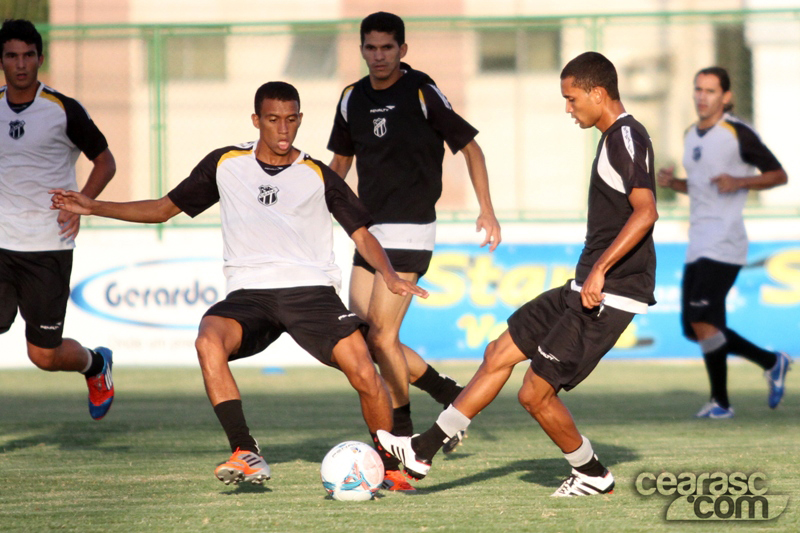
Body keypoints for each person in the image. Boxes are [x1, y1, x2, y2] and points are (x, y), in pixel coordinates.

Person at [52, 81, 429, 486]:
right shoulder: (226, 163)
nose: (283, 129)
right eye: (273, 120)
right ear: (257, 120)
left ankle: (389, 466)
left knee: (364, 370)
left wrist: (388, 273)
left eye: (290, 120)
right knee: (207, 340)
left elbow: (362, 234)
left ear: (300, 120)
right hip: (250, 295)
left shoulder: (317, 174)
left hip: (311, 292)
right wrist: (93, 206)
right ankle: (245, 450)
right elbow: (163, 209)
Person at [378, 51, 659, 497]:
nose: (568, 108)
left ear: (597, 93)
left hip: (610, 293)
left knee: (534, 395)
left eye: (571, 99)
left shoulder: (626, 137)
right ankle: (423, 451)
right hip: (583, 284)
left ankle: (592, 474)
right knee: (499, 351)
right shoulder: (614, 139)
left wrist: (601, 271)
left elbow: (646, 213)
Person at [327, 11, 502, 490]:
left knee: (382, 338)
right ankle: (448, 392)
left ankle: (402, 437)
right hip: (367, 229)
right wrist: (319, 207)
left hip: (411, 229)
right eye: (371, 48)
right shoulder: (351, 99)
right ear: (362, 50)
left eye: (387, 47)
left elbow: (471, 148)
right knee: (362, 338)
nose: (379, 56)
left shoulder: (422, 91)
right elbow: (339, 161)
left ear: (403, 50)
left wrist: (486, 209)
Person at [657, 67, 790, 419]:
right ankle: (770, 362)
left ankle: (722, 402)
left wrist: (740, 181)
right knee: (694, 326)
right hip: (697, 242)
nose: (702, 96)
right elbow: (701, 186)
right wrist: (675, 184)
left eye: (711, 91)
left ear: (726, 97)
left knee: (702, 318)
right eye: (698, 89)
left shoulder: (737, 133)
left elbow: (779, 174)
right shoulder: (691, 134)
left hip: (725, 241)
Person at [0, 19, 116, 420]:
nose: (20, 64)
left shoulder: (64, 110)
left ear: (40, 59)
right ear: (1, 61)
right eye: (12, 56)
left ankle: (96, 366)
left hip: (47, 245)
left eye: (28, 55)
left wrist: (82, 202)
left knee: (43, 356)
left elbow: (105, 161)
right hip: (0, 243)